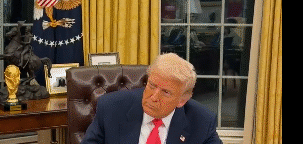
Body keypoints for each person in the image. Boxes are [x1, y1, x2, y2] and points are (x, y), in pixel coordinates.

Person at [80, 53, 222, 144]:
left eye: (166, 92)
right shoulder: (111, 108)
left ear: (182, 100)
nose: (153, 97)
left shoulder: (202, 121)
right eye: (152, 86)